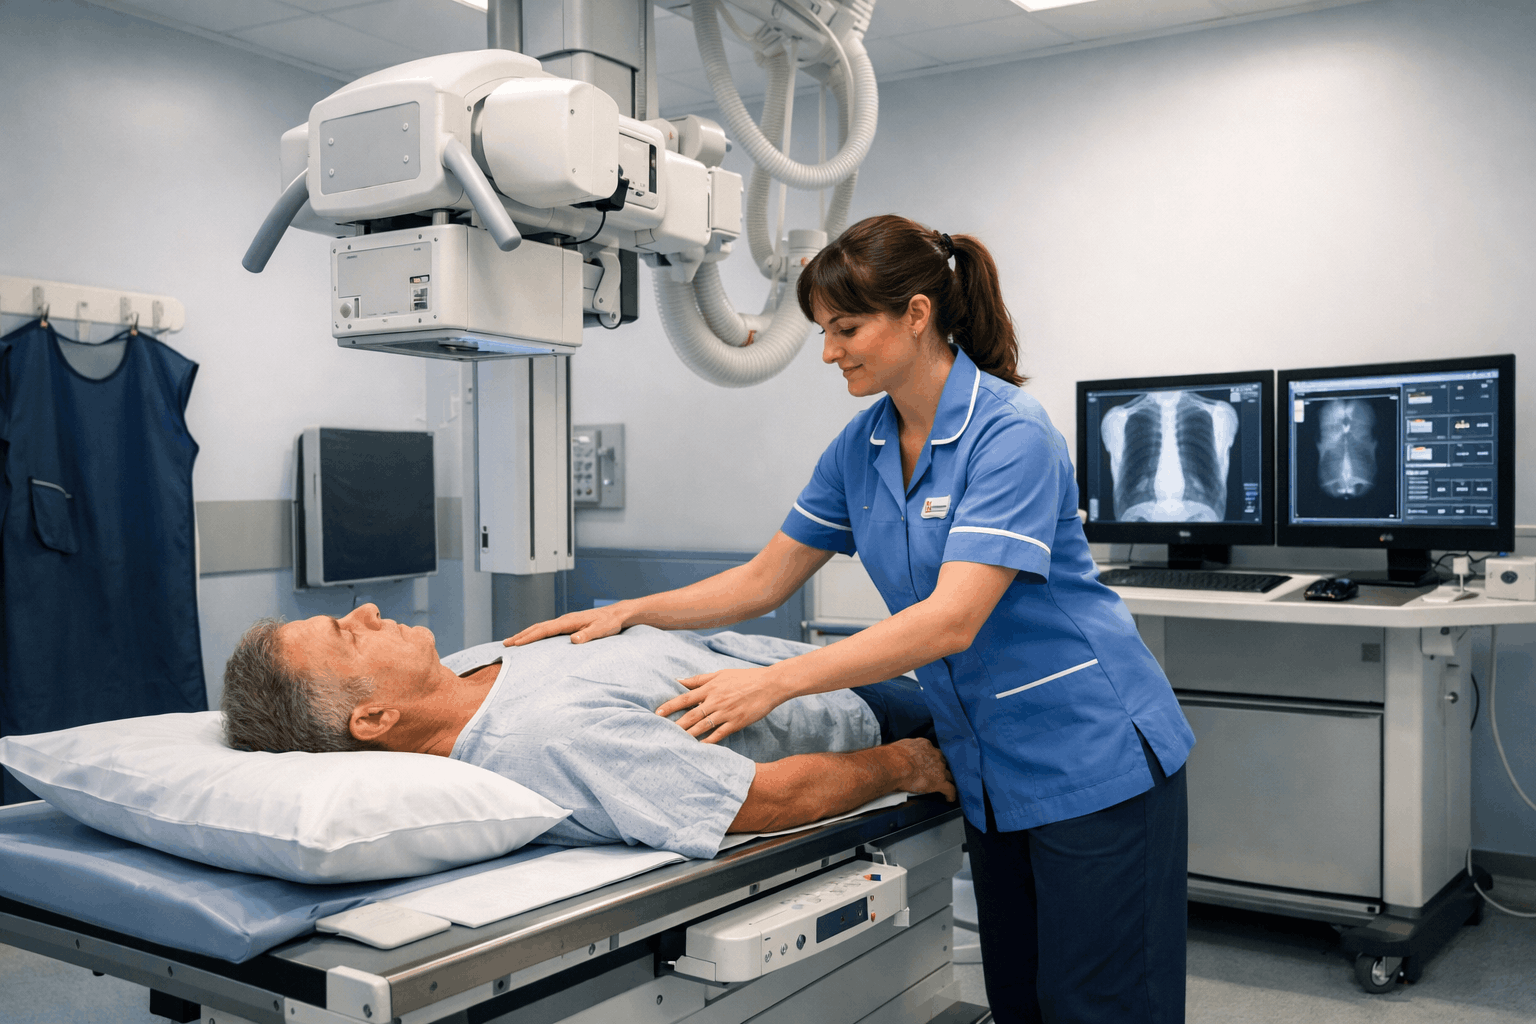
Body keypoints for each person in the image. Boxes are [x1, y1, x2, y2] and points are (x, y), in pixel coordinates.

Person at [508, 215, 1196, 1023]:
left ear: (915, 313)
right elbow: (766, 579)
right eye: (823, 333)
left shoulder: (1011, 433)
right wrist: (626, 612)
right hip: (987, 764)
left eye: (846, 328)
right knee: (1021, 1000)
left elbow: (950, 621)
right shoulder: (862, 443)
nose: (830, 352)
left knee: (1100, 1005)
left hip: (1094, 752)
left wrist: (773, 684)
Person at [219, 602, 954, 859]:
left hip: (807, 664)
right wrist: (899, 766)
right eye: (349, 637)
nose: (369, 613)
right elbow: (759, 802)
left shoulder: (469, 670)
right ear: (375, 719)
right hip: (862, 711)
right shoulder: (545, 740)